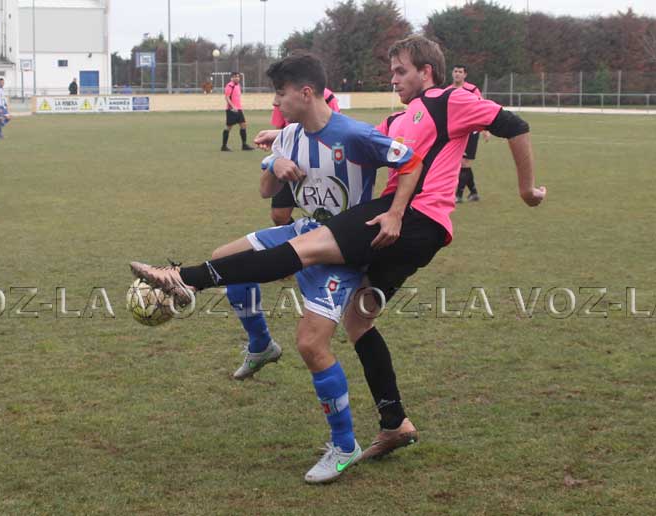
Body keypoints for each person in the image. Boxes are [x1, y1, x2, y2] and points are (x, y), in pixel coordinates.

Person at [130, 35, 546, 457]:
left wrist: (527, 190)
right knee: (358, 322)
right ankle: (394, 422)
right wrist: (282, 140)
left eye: (401, 70)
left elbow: (513, 125)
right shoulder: (397, 120)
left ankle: (185, 278)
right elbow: (347, 137)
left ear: (427, 72)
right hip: (404, 230)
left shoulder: (450, 99)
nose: (393, 78)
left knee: (302, 251)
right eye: (392, 70)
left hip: (413, 219)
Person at [199, 53, 422, 483]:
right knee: (226, 260)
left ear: (305, 93)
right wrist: (273, 163)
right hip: (303, 232)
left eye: (280, 93)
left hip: (341, 251)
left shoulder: (354, 134)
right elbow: (266, 189)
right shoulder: (288, 135)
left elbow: (410, 161)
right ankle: (261, 345)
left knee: (311, 345)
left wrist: (395, 214)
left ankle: (344, 445)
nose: (275, 102)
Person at [267, 87, 340, 226]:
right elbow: (280, 127)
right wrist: (278, 141)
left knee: (326, 212)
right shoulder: (282, 97)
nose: (276, 101)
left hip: (321, 161)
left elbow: (335, 126)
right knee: (279, 215)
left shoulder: (325, 95)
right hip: (290, 159)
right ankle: (300, 237)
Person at [451, 64, 489, 203]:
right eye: (455, 71)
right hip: (456, 130)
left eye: (460, 72)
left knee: (464, 162)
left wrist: (485, 129)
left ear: (465, 75)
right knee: (462, 163)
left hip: (471, 129)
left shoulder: (472, 89)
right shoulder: (448, 90)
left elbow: (482, 107)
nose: (457, 74)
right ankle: (473, 193)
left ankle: (458, 195)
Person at [221, 72, 253, 151]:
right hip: (231, 110)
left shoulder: (238, 85)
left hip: (239, 109)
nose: (237, 78)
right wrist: (233, 106)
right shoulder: (229, 86)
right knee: (228, 127)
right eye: (235, 77)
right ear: (231, 78)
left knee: (243, 125)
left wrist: (239, 107)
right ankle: (224, 146)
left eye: (238, 77)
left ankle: (244, 145)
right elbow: (227, 97)